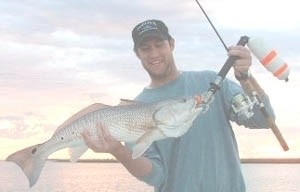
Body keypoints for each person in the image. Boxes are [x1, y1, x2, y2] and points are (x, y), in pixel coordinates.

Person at [82, 19, 275, 192]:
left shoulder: (211, 81)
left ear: (172, 44)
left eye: (159, 45)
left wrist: (245, 77)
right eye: (146, 48)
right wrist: (119, 152)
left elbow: (263, 120)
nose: (154, 53)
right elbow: (157, 176)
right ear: (137, 54)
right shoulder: (133, 111)